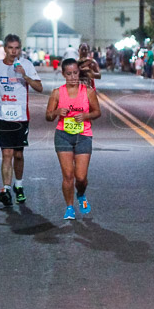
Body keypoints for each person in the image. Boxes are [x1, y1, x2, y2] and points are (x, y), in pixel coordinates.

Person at [0, 33, 42, 206]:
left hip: (20, 117)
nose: (14, 51)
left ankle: (18, 186)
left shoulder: (26, 65)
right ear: (4, 49)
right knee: (7, 153)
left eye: (17, 48)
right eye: (10, 48)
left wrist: (25, 76)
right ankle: (5, 189)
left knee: (18, 155)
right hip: (2, 115)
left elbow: (39, 87)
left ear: (20, 49)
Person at [46, 58, 102, 220]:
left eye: (75, 73)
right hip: (63, 135)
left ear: (79, 73)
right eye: (69, 74)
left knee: (81, 177)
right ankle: (69, 207)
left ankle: (81, 194)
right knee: (68, 175)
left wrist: (85, 115)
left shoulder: (88, 92)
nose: (72, 77)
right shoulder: (57, 93)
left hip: (83, 135)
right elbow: (48, 116)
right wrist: (56, 112)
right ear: (63, 74)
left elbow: (97, 112)